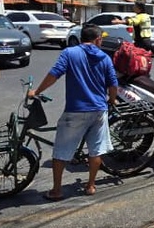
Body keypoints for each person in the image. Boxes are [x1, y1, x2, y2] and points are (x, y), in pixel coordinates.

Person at [28, 25, 120, 200]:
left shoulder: (70, 53)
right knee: (95, 150)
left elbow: (54, 74)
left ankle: (57, 190)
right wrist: (112, 100)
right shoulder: (105, 58)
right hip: (99, 110)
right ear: (98, 39)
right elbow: (113, 84)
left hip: (76, 110)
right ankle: (91, 186)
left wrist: (37, 92)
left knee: (61, 151)